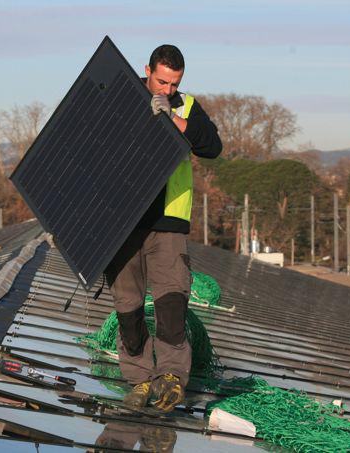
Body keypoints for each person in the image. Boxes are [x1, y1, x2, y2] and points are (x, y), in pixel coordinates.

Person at [105, 44, 222, 412]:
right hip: (123, 224)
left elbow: (211, 146)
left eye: (174, 84)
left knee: (172, 302)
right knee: (128, 307)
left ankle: (171, 378)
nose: (167, 90)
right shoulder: (120, 101)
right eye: (161, 81)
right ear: (147, 70)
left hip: (168, 223)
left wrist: (173, 118)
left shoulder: (185, 106)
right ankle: (138, 380)